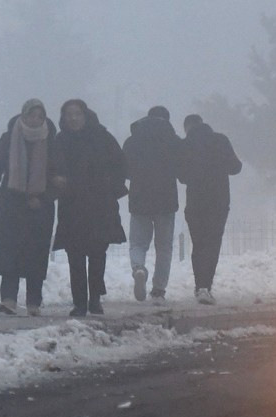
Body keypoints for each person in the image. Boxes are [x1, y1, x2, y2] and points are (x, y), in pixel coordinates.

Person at [0, 98, 59, 316]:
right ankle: (8, 299)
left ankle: (34, 302)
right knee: (9, 250)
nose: (35, 120)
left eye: (40, 116)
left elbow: (59, 176)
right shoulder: (9, 138)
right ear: (23, 115)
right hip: (11, 203)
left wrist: (44, 197)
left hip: (40, 206)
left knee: (36, 252)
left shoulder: (52, 141)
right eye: (32, 115)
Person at [52, 99, 127, 317]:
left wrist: (110, 186)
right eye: (69, 114)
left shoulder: (102, 137)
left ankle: (94, 298)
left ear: (85, 115)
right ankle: (79, 302)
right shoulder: (60, 141)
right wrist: (56, 180)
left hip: (100, 205)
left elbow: (121, 164)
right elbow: (51, 167)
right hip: (71, 206)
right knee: (74, 255)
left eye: (77, 113)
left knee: (97, 253)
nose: (73, 118)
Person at [178, 114, 241, 305]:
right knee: (213, 244)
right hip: (218, 201)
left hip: (195, 202)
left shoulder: (186, 144)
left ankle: (200, 287)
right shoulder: (220, 140)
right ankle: (207, 286)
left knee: (198, 244)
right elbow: (235, 167)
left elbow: (182, 176)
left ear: (187, 127)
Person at [123, 105, 181, 304]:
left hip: (139, 198)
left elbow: (125, 168)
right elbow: (181, 166)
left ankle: (139, 268)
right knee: (164, 247)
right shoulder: (172, 140)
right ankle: (158, 290)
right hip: (166, 199)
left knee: (138, 243)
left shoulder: (132, 140)